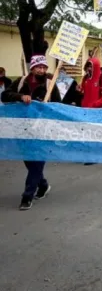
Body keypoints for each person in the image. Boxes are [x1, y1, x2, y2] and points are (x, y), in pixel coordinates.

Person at [1, 55, 61, 210]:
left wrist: (47, 110)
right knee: (29, 161)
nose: (41, 70)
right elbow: (4, 96)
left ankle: (27, 196)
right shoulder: (21, 82)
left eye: (44, 67)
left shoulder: (50, 85)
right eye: (38, 67)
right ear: (32, 68)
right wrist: (20, 97)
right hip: (22, 129)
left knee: (36, 163)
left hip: (43, 131)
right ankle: (43, 185)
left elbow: (59, 107)